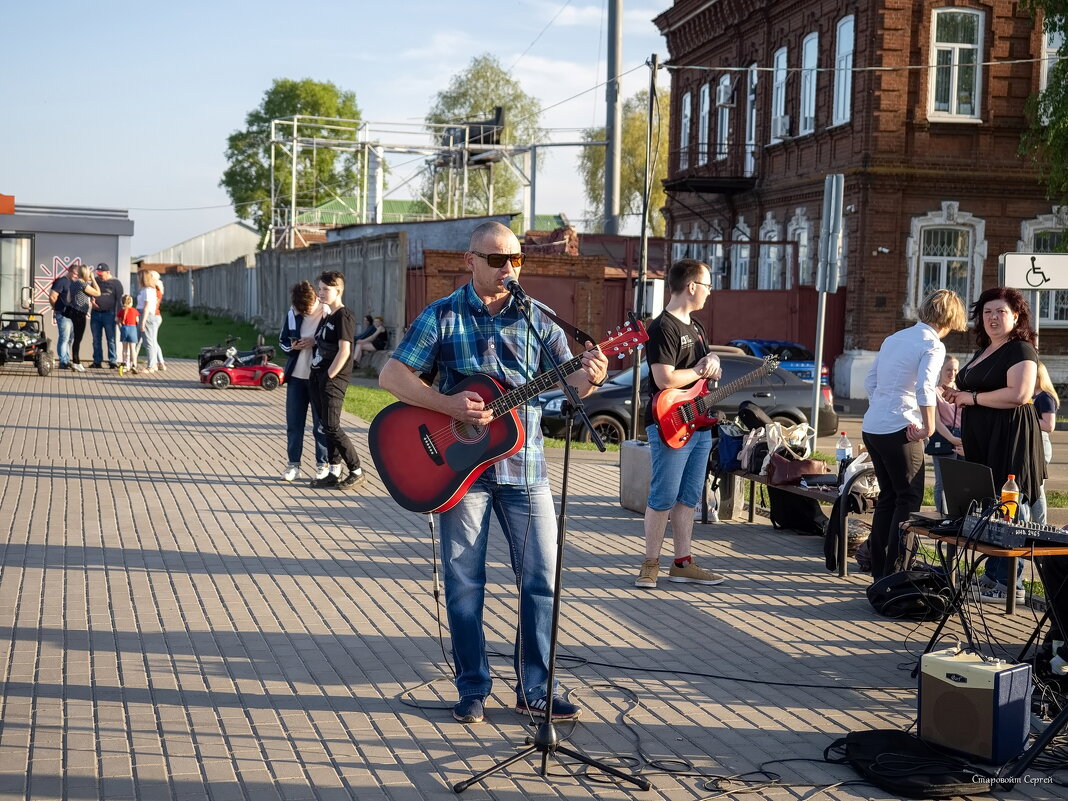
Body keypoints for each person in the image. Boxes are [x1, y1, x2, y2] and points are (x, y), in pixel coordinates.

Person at [378, 220, 608, 725]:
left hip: (527, 472)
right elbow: (390, 374)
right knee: (465, 582)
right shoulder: (442, 316)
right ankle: (473, 687)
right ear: (471, 261)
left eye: (516, 260)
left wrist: (590, 378)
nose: (509, 269)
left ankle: (536, 689)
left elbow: (571, 386)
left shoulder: (538, 320)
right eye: (498, 259)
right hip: (460, 474)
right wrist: (446, 403)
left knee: (542, 578)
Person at [945, 286, 1046, 605]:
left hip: (1011, 438)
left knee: (1011, 506)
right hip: (983, 440)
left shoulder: (1020, 350)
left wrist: (971, 398)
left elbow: (1019, 395)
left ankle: (1008, 584)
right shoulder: (984, 350)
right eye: (987, 312)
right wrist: (955, 393)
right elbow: (974, 389)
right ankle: (991, 576)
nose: (992, 317)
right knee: (990, 504)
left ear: (1016, 317)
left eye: (1000, 312)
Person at [861, 289, 968, 580]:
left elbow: (870, 381)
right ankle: (897, 573)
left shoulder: (894, 338)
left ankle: (879, 570)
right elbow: (923, 388)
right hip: (901, 428)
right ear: (952, 318)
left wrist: (884, 405)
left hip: (874, 426)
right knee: (908, 499)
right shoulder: (933, 345)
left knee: (888, 498)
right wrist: (928, 426)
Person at [635, 258, 726, 590]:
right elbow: (665, 378)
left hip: (698, 425)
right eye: (707, 286)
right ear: (691, 287)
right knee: (663, 495)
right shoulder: (663, 326)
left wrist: (712, 360)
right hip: (669, 425)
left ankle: (683, 562)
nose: (709, 293)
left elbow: (703, 364)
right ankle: (650, 564)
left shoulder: (696, 326)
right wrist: (702, 369)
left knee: (688, 497)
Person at [307, 270, 366, 490]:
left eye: (325, 289)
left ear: (338, 290)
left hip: (332, 380)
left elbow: (345, 351)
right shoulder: (328, 315)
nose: (320, 293)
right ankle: (333, 471)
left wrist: (328, 376)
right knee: (325, 426)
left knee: (332, 426)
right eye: (319, 288)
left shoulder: (344, 315)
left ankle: (356, 470)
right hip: (317, 377)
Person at [278, 281, 330, 482]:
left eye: (307, 308)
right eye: (302, 309)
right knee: (294, 424)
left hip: (318, 377)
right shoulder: (292, 313)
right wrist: (293, 347)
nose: (305, 312)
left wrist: (315, 342)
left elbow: (333, 342)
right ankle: (293, 466)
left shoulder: (326, 312)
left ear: (315, 299)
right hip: (296, 378)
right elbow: (282, 341)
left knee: (320, 425)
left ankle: (322, 465)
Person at [930, 355, 963, 515]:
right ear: (941, 370)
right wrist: (952, 439)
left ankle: (957, 515)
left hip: (963, 439)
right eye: (948, 369)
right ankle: (941, 514)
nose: (952, 373)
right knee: (943, 483)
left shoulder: (962, 391)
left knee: (962, 481)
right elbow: (936, 421)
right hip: (944, 438)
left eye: (955, 370)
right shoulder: (935, 392)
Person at [1029, 363, 1058, 525]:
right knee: (1029, 488)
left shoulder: (1045, 397)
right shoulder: (1033, 396)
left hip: (1039, 445)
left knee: (1037, 488)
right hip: (1030, 445)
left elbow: (1049, 425)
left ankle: (1040, 525)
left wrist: (1026, 418)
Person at [89, 263, 123, 368]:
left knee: (111, 338)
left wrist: (118, 315)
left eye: (101, 273)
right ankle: (97, 361)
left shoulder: (116, 283)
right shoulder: (95, 281)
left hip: (109, 314)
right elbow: (90, 292)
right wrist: (92, 300)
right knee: (96, 338)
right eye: (98, 273)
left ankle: (113, 361)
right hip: (95, 313)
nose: (99, 275)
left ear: (108, 272)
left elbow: (119, 300)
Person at [68, 265, 101, 371]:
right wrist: (94, 280)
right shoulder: (82, 284)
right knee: (78, 338)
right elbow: (98, 293)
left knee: (76, 338)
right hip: (79, 313)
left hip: (74, 311)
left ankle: (75, 361)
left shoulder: (74, 284)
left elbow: (69, 298)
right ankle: (76, 362)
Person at [48, 263, 78, 370]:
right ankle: (63, 361)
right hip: (63, 315)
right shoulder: (61, 281)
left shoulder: (75, 283)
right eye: (75, 274)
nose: (76, 276)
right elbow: (52, 296)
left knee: (70, 339)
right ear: (69, 271)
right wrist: (57, 308)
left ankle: (67, 359)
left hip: (73, 315)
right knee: (64, 338)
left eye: (78, 275)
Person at [136, 271, 162, 373]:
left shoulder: (148, 290)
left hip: (147, 316)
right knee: (147, 342)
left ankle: (151, 366)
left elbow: (147, 307)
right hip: (143, 314)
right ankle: (153, 364)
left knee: (149, 343)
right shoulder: (145, 290)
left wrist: (143, 322)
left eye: (138, 277)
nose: (137, 279)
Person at [117, 295, 139, 375]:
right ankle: (134, 365)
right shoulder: (134, 311)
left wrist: (120, 327)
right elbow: (137, 320)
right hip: (132, 329)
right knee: (133, 349)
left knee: (124, 349)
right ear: (131, 303)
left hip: (124, 329)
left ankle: (125, 364)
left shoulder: (121, 311)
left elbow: (117, 320)